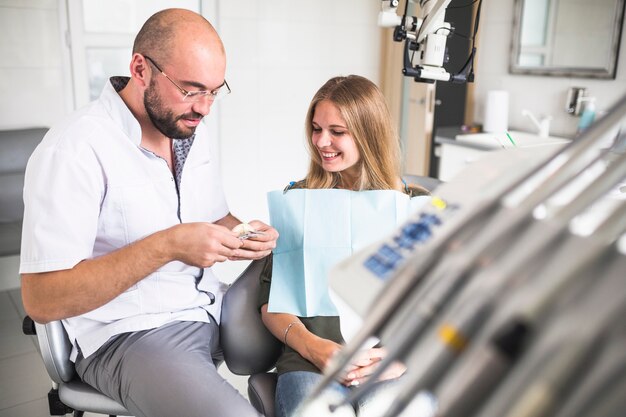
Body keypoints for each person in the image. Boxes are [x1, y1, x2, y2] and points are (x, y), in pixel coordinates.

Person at [20, 8, 277, 417]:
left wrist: (245, 232)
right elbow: (42, 300)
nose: (205, 107)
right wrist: (168, 246)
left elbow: (213, 216)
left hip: (208, 305)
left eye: (214, 90)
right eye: (191, 90)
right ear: (140, 69)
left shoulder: (189, 130)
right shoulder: (73, 149)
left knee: (322, 332)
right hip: (130, 332)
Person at [259, 75, 430, 417]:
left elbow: (442, 303)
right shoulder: (298, 202)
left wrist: (403, 356)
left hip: (389, 365)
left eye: (337, 132)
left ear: (368, 133)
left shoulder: (415, 206)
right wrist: (314, 347)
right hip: (309, 364)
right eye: (316, 128)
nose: (322, 141)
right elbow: (270, 304)